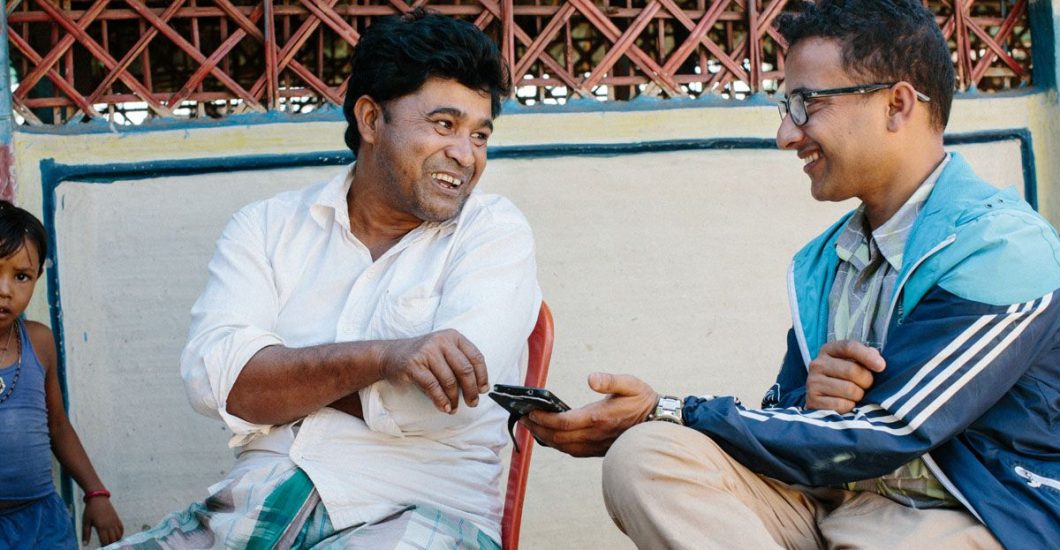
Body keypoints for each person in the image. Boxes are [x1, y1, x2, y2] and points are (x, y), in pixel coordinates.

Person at [525, 1, 1060, 548]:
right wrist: (811, 403)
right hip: (831, 500)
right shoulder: (827, 258)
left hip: (968, 514)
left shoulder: (1002, 248)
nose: (786, 134)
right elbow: (780, 423)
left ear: (897, 105)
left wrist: (669, 407)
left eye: (808, 103)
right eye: (787, 106)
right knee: (644, 456)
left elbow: (896, 431)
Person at [110, 9, 539, 550]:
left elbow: (446, 400)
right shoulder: (266, 228)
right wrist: (386, 358)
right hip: (256, 497)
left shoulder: (493, 231)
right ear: (369, 119)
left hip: (422, 511)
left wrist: (284, 378)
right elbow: (216, 382)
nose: (466, 153)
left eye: (481, 135)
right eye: (444, 124)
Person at [0, 201, 124, 548]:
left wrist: (95, 492)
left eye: (21, 276)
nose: (5, 290)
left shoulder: (38, 342)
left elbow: (57, 425)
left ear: (38, 276)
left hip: (42, 522)